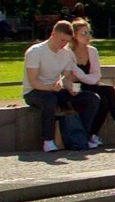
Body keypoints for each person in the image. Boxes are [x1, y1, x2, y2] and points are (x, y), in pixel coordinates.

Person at [24, 21, 101, 152]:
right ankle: (48, 140)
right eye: (61, 40)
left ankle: (82, 136)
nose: (63, 44)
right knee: (49, 99)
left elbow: (66, 76)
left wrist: (70, 87)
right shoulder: (35, 52)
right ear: (53, 34)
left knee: (92, 98)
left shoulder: (66, 53)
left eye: (67, 41)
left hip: (56, 89)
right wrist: (50, 88)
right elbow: (33, 81)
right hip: (34, 91)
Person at [68, 19, 115, 147]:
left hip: (89, 85)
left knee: (106, 96)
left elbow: (96, 75)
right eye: (83, 33)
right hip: (74, 88)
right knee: (107, 92)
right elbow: (78, 76)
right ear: (74, 35)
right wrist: (96, 83)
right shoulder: (68, 53)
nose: (88, 36)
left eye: (89, 32)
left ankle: (94, 135)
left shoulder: (92, 51)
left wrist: (98, 83)